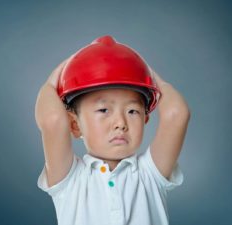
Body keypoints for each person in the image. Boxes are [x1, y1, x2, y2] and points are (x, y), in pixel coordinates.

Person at [35, 35, 190, 225]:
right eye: (103, 110)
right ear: (74, 125)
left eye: (132, 111)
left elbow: (177, 114)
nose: (120, 123)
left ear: (145, 119)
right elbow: (53, 121)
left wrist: (146, 71)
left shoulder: (150, 174)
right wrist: (53, 82)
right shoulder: (71, 180)